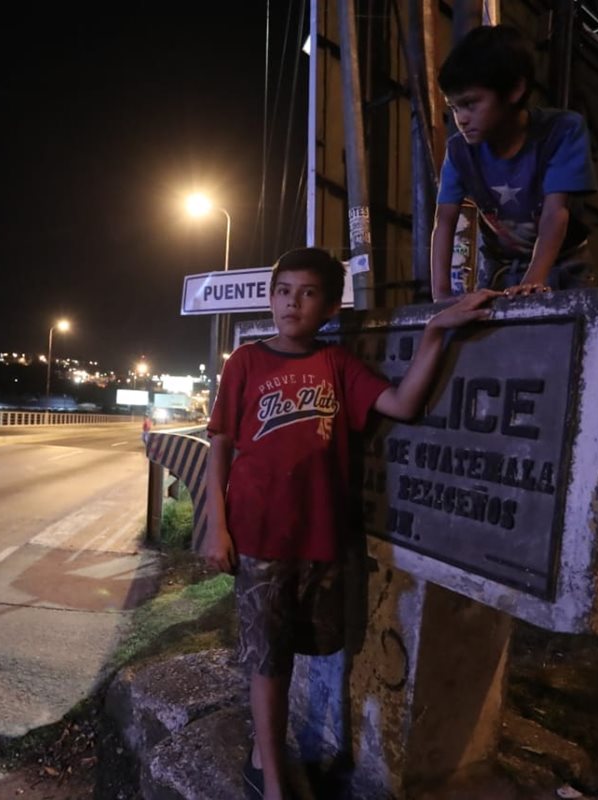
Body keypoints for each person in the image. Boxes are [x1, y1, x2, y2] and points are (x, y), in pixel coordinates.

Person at [204, 247, 496, 799]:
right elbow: (219, 444)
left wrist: (437, 331)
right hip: (258, 536)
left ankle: (264, 748)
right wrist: (215, 525)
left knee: (300, 647)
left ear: (331, 307)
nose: (293, 303)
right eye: (284, 290)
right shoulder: (245, 363)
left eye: (308, 293)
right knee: (266, 658)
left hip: (318, 537)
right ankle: (271, 781)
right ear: (271, 297)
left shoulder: (337, 367)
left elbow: (403, 404)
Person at [430, 24, 597, 301]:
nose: (461, 118)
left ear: (515, 89)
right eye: (454, 107)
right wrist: (441, 294)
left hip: (565, 261)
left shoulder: (561, 132)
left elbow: (556, 213)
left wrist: (534, 279)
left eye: (471, 104)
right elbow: (445, 220)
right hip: (498, 265)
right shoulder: (459, 151)